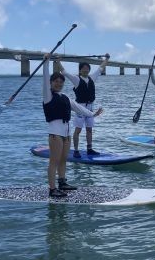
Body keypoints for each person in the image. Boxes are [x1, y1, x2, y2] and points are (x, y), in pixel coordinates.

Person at [43, 54, 103, 198]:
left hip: (66, 134)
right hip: (55, 134)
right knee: (54, 161)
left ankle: (62, 182)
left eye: (61, 82)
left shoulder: (65, 98)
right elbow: (45, 80)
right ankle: (52, 189)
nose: (58, 84)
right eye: (55, 82)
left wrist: (92, 114)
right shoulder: (48, 96)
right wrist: (46, 63)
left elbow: (79, 108)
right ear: (51, 83)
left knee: (63, 160)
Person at [54, 54, 110, 158]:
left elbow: (101, 68)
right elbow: (64, 72)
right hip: (80, 108)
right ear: (80, 70)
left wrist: (107, 59)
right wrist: (58, 61)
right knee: (78, 130)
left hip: (90, 107)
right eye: (83, 69)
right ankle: (76, 150)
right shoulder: (76, 79)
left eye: (87, 69)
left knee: (89, 129)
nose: (86, 70)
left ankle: (89, 149)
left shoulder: (92, 78)